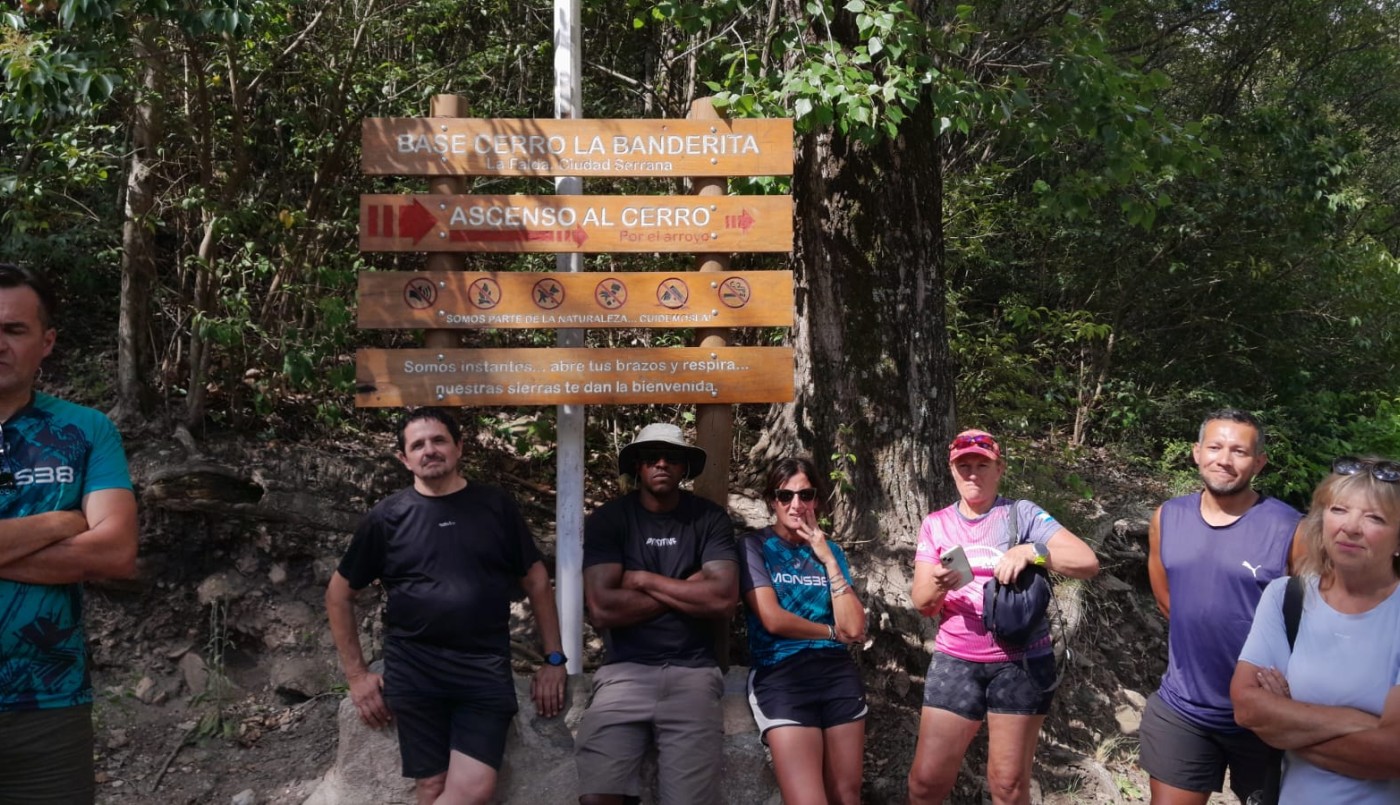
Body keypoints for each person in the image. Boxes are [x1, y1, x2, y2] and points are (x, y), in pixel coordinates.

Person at [325, 407, 566, 805]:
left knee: (475, 787)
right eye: (417, 445)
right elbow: (338, 595)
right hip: (415, 667)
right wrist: (356, 675)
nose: (429, 450)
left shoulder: (495, 506)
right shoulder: (387, 518)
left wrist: (554, 659)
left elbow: (536, 579)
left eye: (438, 440)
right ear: (404, 459)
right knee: (432, 787)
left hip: (483, 665)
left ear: (459, 448)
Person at [0, 263, 139, 803]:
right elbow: (88, 539)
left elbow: (116, 553)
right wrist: (61, 522)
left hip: (50, 707)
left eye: (15, 330)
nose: (1, 343)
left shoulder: (85, 431)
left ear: (47, 341)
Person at [908, 429, 1099, 805]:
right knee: (925, 783)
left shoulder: (1021, 514)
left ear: (1000, 469)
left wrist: (1033, 550)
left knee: (1008, 785)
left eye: (983, 464)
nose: (973, 473)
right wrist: (940, 585)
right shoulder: (936, 524)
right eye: (964, 466)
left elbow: (1087, 562)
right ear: (952, 471)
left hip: (1021, 660)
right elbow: (922, 603)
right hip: (957, 660)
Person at [1141, 409, 1303, 804]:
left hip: (1265, 715)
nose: (1224, 459)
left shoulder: (1290, 528)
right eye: (1214, 447)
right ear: (1197, 453)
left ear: (1259, 462)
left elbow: (1313, 615)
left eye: (1239, 451)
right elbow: (1168, 602)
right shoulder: (1168, 516)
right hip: (1183, 709)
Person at [575, 423, 739, 805]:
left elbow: (722, 600)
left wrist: (644, 579)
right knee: (598, 795)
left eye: (672, 457)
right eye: (651, 457)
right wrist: (686, 584)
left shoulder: (709, 519)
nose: (662, 463)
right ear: (637, 466)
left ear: (685, 468)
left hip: (694, 672)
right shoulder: (610, 519)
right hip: (623, 672)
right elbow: (601, 608)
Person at [1231, 456, 1400, 803]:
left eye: (1375, 518)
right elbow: (1247, 706)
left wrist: (1283, 725)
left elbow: (1391, 753)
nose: (1350, 527)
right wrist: (1361, 721)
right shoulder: (1286, 597)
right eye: (1339, 510)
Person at [740, 456, 868, 805]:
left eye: (805, 495)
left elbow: (855, 627)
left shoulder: (831, 552)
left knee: (846, 794)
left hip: (836, 675)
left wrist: (826, 558)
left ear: (816, 500)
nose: (796, 505)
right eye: (785, 496)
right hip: (781, 673)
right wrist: (829, 632)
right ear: (772, 500)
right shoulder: (755, 547)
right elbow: (772, 619)